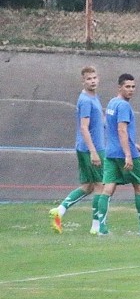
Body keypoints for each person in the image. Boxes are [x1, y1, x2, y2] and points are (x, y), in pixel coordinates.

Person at [97, 73, 140, 236]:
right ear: (119, 87)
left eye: (133, 87)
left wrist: (133, 143)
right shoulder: (124, 106)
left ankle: (102, 229)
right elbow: (121, 129)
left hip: (111, 152)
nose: (131, 90)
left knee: (108, 188)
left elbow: (107, 125)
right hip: (125, 153)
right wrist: (128, 153)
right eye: (127, 86)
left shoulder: (112, 102)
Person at [49, 65, 105, 235]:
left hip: (90, 147)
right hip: (91, 148)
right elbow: (84, 127)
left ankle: (61, 210)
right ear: (83, 81)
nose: (92, 81)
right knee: (100, 186)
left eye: (94, 78)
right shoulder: (86, 100)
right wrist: (93, 151)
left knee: (88, 186)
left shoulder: (94, 97)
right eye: (89, 79)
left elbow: (101, 121)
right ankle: (96, 226)